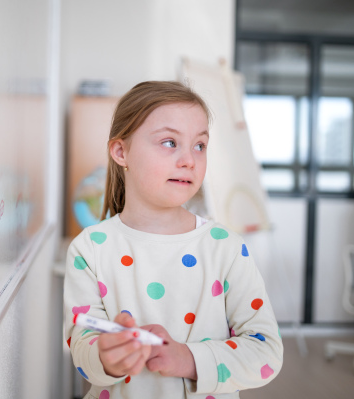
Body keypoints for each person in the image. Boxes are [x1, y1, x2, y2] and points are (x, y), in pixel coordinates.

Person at [64, 81, 283, 399]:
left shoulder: (226, 248)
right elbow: (82, 345)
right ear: (121, 151)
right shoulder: (89, 248)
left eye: (199, 146)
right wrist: (106, 356)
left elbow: (266, 353)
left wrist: (188, 359)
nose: (189, 160)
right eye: (169, 142)